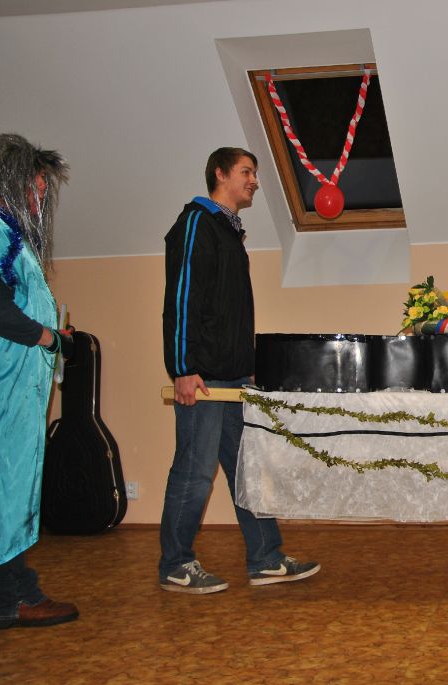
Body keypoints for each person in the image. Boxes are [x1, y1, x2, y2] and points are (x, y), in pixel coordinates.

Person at [160, 147, 319, 593]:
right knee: (194, 472)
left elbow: (231, 312)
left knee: (248, 469)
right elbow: (182, 300)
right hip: (203, 377)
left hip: (232, 379)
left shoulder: (229, 232)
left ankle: (266, 557)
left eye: (255, 173)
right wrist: (183, 368)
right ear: (220, 173)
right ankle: (175, 563)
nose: (254, 180)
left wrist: (247, 367)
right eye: (246, 172)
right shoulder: (196, 222)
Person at [0, 133, 79, 629]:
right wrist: (47, 337)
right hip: (0, 391)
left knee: (0, 487)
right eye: (37, 186)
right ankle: (10, 601)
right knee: (2, 488)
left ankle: (15, 593)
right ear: (10, 179)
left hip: (3, 388)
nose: (41, 197)